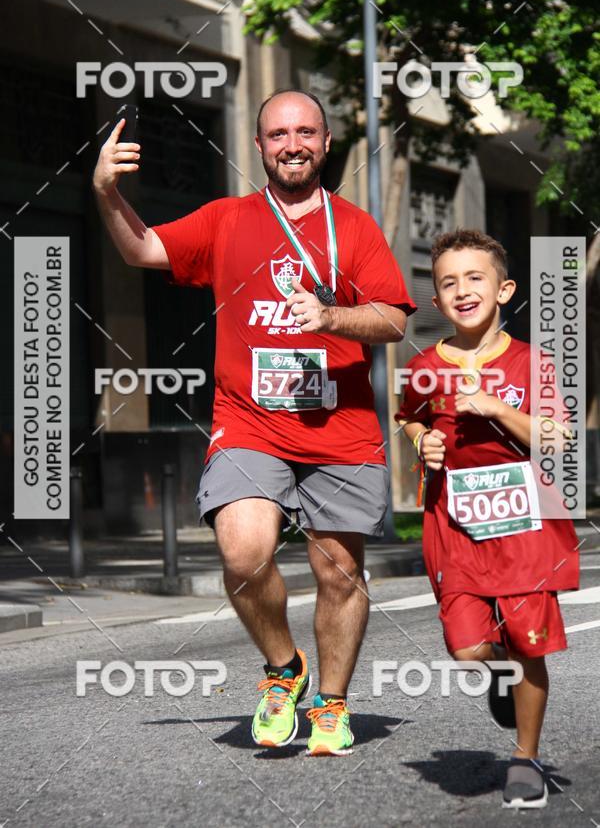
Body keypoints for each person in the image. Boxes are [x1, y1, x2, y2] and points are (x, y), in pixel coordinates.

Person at [93, 89, 416, 756]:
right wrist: (105, 193)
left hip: (340, 426)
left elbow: (391, 319)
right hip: (250, 422)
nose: (292, 145)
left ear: (325, 143)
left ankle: (332, 702)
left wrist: (330, 317)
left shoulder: (355, 228)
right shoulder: (228, 219)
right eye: (278, 134)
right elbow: (143, 250)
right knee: (243, 554)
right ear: (260, 145)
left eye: (305, 132)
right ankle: (284, 668)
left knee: (338, 574)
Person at [396, 230, 579, 808]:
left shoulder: (531, 361)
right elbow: (409, 417)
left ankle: (525, 759)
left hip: (524, 525)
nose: (462, 290)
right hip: (455, 526)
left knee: (528, 645)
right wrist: (421, 439)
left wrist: (499, 407)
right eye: (449, 282)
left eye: (475, 278)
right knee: (467, 648)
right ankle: (501, 674)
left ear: (504, 289)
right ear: (436, 300)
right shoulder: (424, 366)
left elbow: (559, 437)